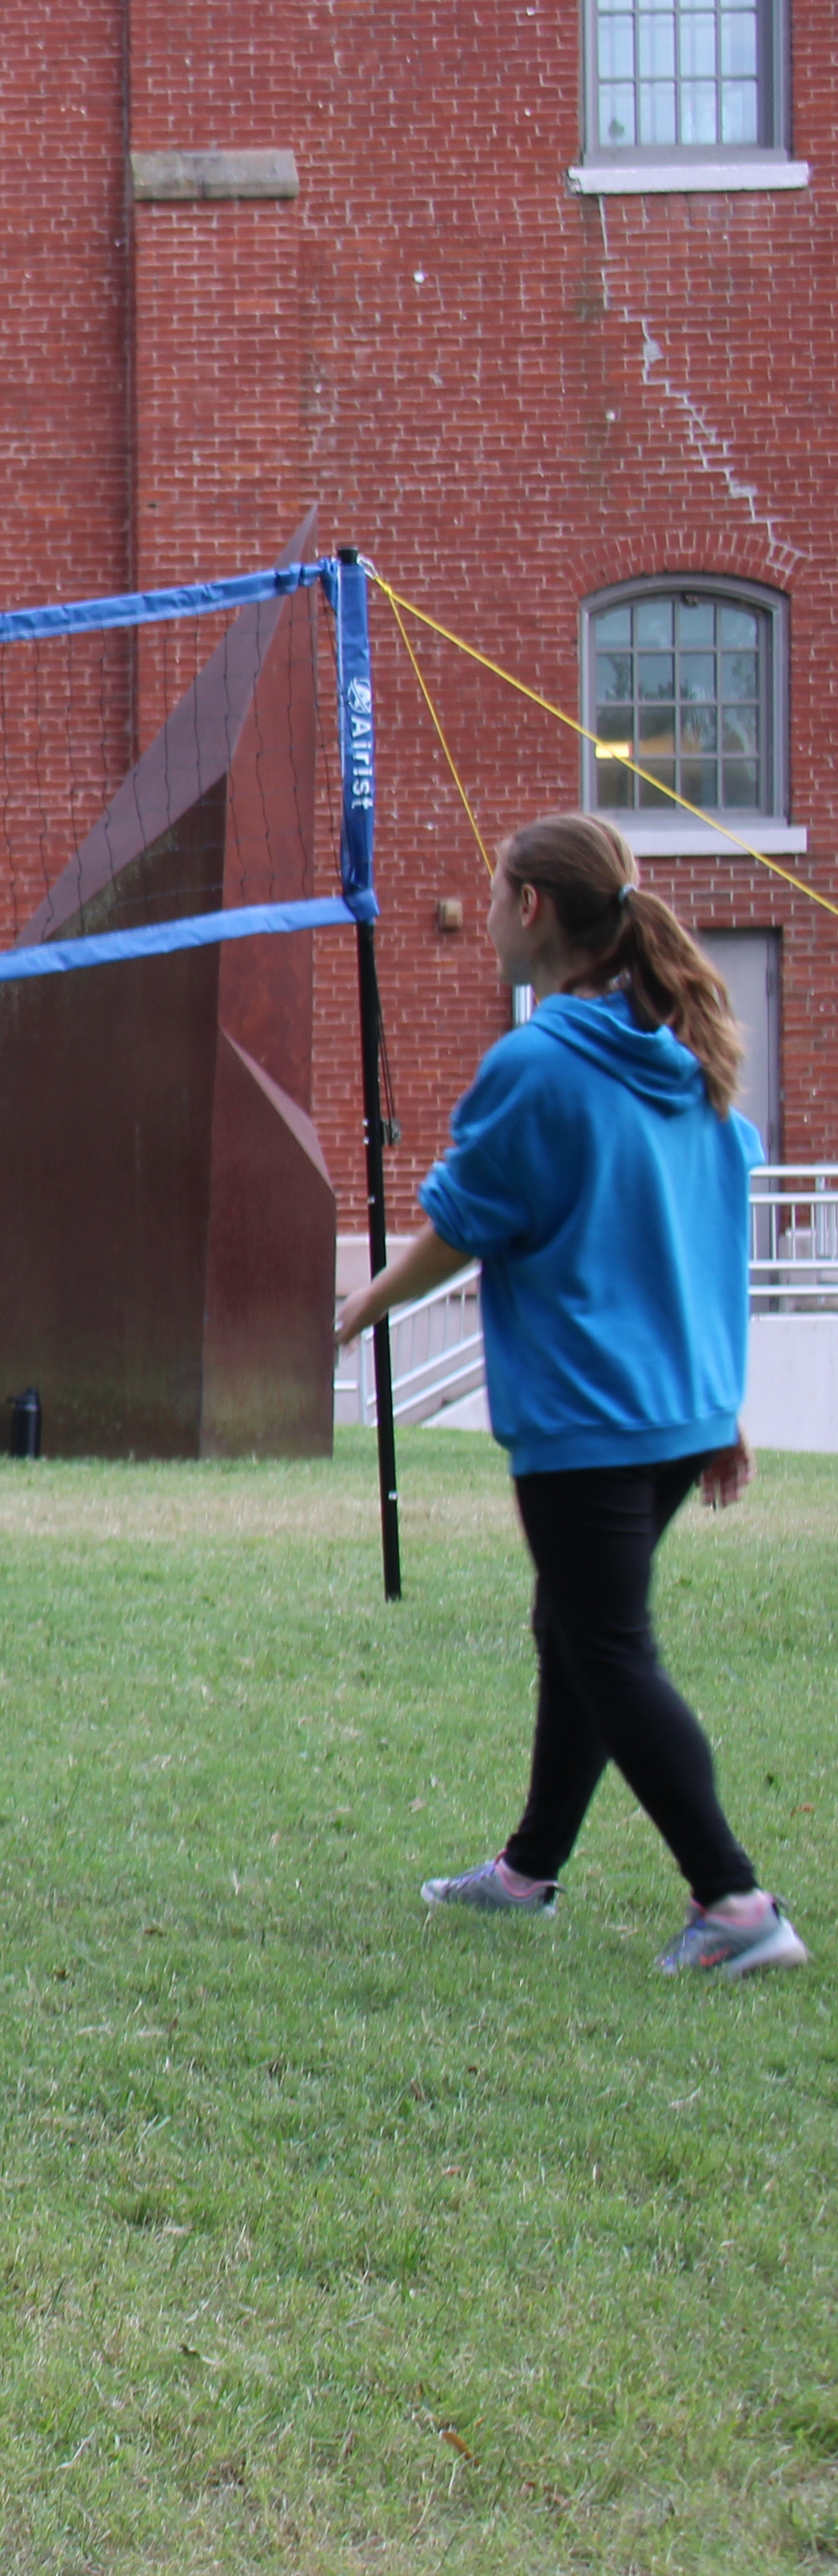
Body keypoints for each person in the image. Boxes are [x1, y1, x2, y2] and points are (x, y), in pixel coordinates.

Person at [336, 813, 801, 1979]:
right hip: (672, 1414)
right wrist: (721, 1406)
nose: (486, 914)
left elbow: (460, 1230)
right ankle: (527, 1871)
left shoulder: (538, 1065)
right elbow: (697, 1244)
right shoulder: (685, 1061)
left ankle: (736, 1904)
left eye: (494, 893)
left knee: (606, 1645)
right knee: (578, 1633)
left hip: (594, 1423)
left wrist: (354, 1309)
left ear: (531, 908)